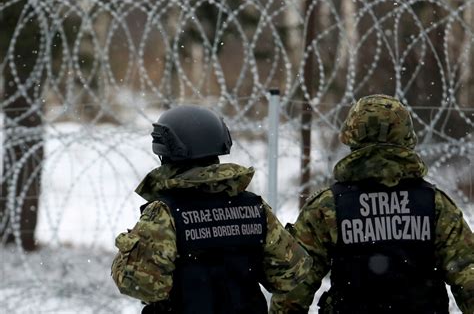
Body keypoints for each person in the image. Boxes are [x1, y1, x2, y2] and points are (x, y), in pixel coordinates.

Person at [270, 94, 474, 314]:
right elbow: (468, 275)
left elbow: (295, 287)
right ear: (406, 137)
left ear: (352, 137)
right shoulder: (435, 205)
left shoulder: (328, 207)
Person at [111, 105, 312, 314]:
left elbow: (142, 285)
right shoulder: (254, 208)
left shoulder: (165, 213)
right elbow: (290, 273)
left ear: (166, 152)